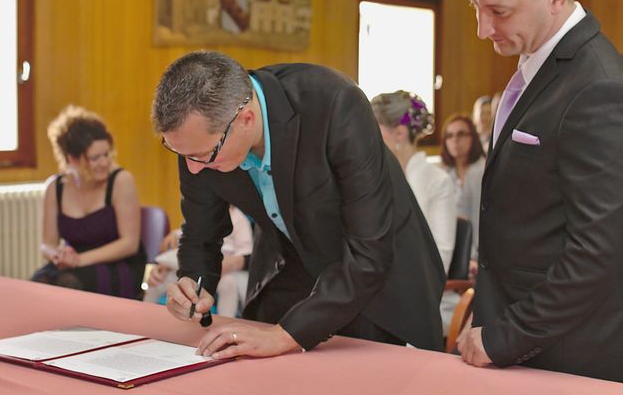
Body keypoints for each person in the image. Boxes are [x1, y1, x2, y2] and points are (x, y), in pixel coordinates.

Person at [151, 51, 445, 360]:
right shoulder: (200, 141)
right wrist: (193, 284)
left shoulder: (334, 102)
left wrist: (285, 335)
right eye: (179, 153)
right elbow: (201, 234)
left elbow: (370, 252)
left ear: (246, 120)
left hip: (380, 280)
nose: (193, 169)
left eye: (202, 156)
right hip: (291, 270)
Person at [458, 0, 623, 382]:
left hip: (566, 353)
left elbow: (601, 248)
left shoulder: (598, 86)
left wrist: (509, 334)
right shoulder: (539, 62)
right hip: (512, 331)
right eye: (476, 7)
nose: (482, 29)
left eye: (499, 11)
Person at [31, 105, 146, 299]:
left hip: (118, 264)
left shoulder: (121, 180)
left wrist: (79, 260)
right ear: (72, 159)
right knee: (38, 285)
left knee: (67, 284)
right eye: (94, 158)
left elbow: (129, 243)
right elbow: (47, 243)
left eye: (106, 154)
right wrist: (56, 256)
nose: (104, 162)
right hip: (74, 264)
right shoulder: (54, 187)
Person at [371, 91, 456, 335]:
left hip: (421, 292)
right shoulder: (376, 176)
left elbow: (440, 255)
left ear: (399, 133)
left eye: (375, 128)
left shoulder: (437, 181)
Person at [143, 206, 253, 318]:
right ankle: (144, 312)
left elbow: (246, 251)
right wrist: (174, 235)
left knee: (228, 285)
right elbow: (185, 233)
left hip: (223, 268)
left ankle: (226, 320)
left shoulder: (238, 217)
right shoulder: (199, 209)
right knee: (161, 279)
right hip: (193, 261)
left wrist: (228, 264)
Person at [439, 114, 485, 277]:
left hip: (480, 253)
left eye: (461, 134)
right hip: (452, 248)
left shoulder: (482, 171)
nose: (455, 140)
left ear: (473, 137)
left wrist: (474, 257)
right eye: (449, 136)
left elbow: (480, 218)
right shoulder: (444, 173)